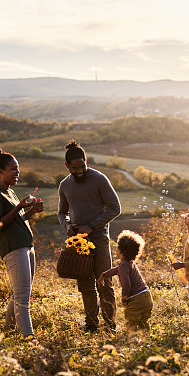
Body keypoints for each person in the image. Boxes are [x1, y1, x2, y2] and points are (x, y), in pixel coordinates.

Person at [57, 140, 121, 332]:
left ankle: (111, 326)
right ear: (67, 166)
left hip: (100, 239)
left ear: (86, 162)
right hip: (78, 243)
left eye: (82, 166)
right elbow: (61, 213)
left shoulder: (99, 179)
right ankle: (91, 325)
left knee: (105, 284)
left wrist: (91, 227)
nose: (79, 171)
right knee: (85, 286)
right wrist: (67, 225)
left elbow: (115, 208)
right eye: (74, 168)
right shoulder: (64, 185)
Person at [0, 147, 44, 339]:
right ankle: (29, 337)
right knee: (22, 297)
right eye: (13, 169)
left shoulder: (11, 193)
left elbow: (17, 220)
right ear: (0, 172)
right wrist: (19, 206)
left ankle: (8, 329)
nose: (17, 172)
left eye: (18, 169)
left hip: (26, 246)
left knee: (21, 291)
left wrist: (30, 212)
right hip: (13, 249)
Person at [97, 230, 153, 332]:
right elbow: (116, 270)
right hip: (146, 296)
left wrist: (124, 298)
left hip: (136, 299)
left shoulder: (123, 266)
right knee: (143, 322)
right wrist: (104, 275)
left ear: (121, 250)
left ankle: (131, 342)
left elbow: (127, 285)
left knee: (131, 322)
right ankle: (146, 341)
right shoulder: (130, 263)